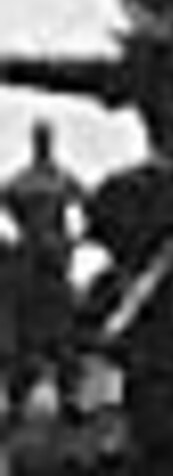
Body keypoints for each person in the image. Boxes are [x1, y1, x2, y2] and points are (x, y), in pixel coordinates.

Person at [0, 120, 89, 424]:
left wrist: (72, 241)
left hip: (52, 265)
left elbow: (87, 204)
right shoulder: (24, 181)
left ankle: (68, 399)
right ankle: (17, 402)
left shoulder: (57, 178)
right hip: (30, 267)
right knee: (26, 337)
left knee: (62, 336)